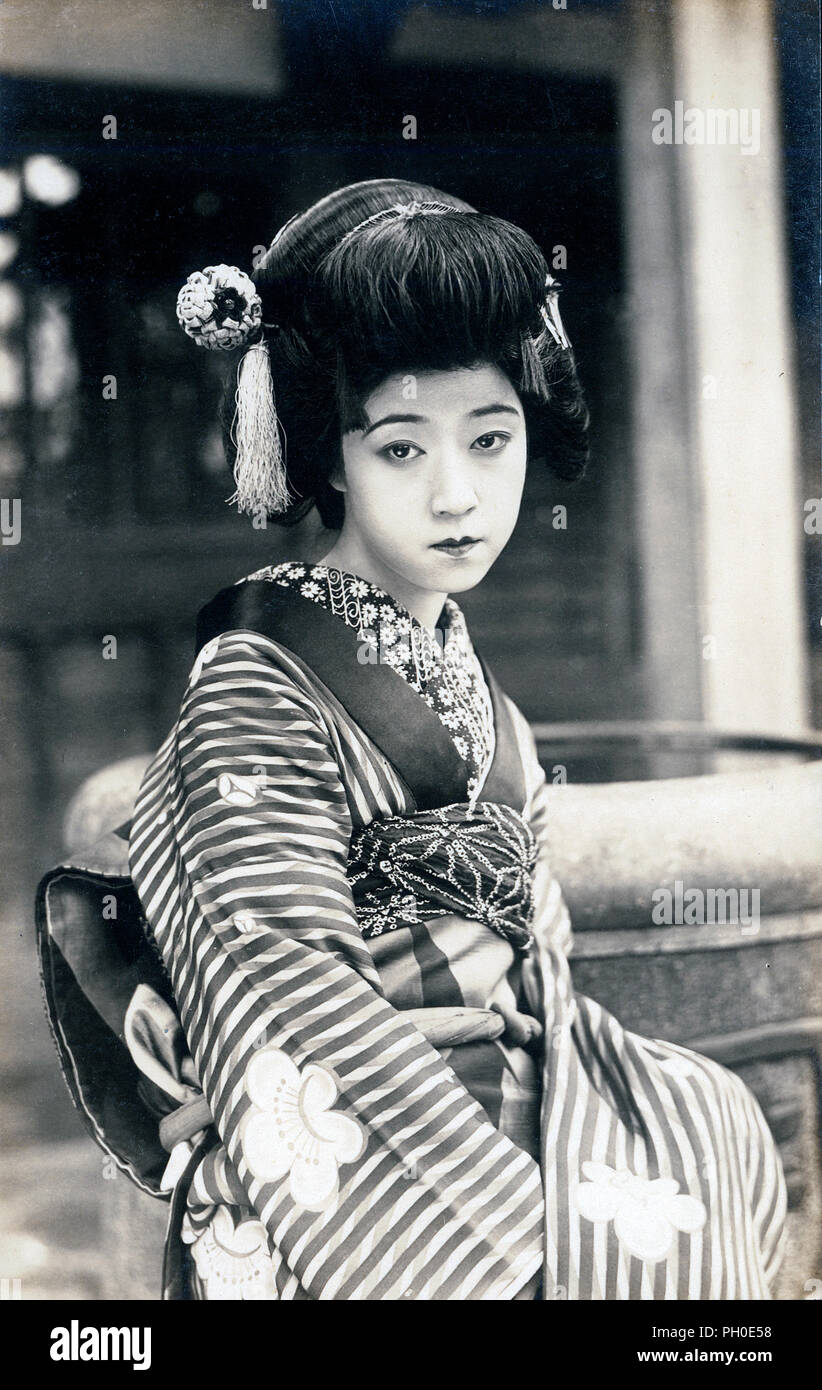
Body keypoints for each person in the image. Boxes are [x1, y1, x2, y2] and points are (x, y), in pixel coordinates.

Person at [41, 178, 787, 1300]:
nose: (457, 494)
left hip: (516, 1104)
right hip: (369, 1188)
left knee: (707, 1125)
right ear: (331, 459)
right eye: (400, 450)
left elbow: (542, 967)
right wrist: (514, 1227)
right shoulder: (255, 679)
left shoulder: (476, 685)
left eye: (491, 439)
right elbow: (279, 987)